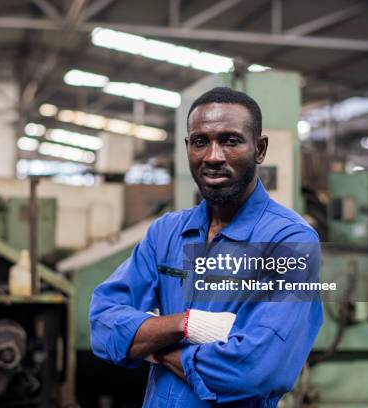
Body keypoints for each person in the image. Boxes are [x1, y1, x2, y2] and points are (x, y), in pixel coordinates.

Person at [89, 87, 323, 407]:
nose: (213, 156)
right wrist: (184, 324)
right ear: (188, 147)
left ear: (260, 149)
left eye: (230, 140)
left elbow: (255, 369)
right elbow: (102, 325)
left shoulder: (289, 242)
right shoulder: (167, 232)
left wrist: (153, 345)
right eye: (200, 141)